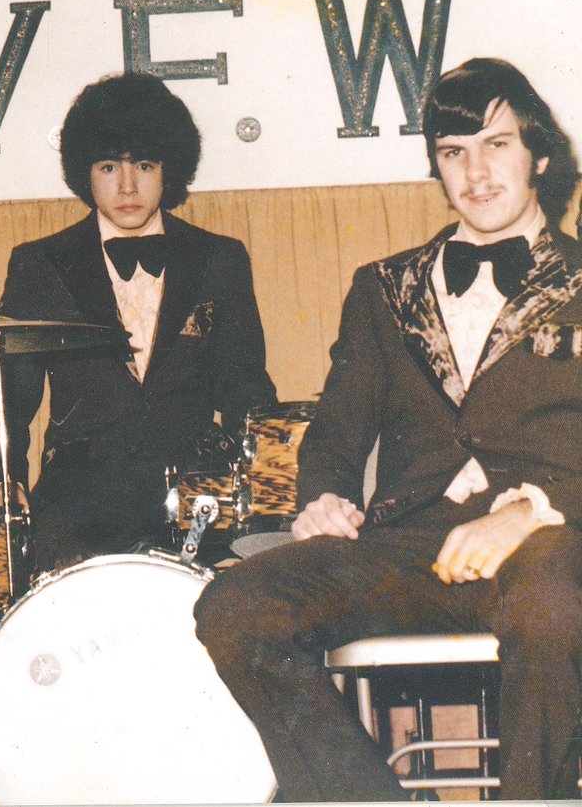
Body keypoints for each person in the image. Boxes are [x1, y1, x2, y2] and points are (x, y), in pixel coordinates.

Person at [195, 57, 582, 801]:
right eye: (453, 152)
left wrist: (530, 511)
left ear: (539, 156)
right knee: (235, 607)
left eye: (497, 145)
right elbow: (337, 428)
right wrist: (325, 495)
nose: (476, 172)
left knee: (552, 608)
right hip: (408, 544)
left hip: (548, 541)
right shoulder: (384, 286)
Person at [0, 72, 276, 572]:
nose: (127, 186)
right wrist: (3, 480)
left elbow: (246, 386)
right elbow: (4, 395)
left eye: (145, 166)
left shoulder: (220, 258)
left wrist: (266, 484)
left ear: (169, 169)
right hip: (79, 498)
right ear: (84, 172)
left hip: (194, 487)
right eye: (109, 166)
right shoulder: (41, 264)